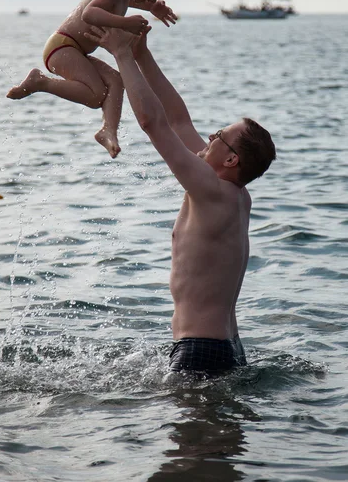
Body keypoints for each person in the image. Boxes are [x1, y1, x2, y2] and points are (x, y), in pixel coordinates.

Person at [84, 25, 276, 376]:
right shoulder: (234, 195)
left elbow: (153, 123)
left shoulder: (210, 190)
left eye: (219, 135)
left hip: (200, 350)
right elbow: (177, 119)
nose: (209, 135)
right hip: (226, 347)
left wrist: (121, 55)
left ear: (231, 160)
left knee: (186, 431)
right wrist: (142, 54)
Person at [6, 0, 182, 159]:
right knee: (95, 95)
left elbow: (135, 1)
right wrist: (124, 23)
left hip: (75, 49)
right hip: (62, 46)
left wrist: (152, 7)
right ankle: (40, 82)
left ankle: (108, 131)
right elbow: (89, 13)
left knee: (117, 81)